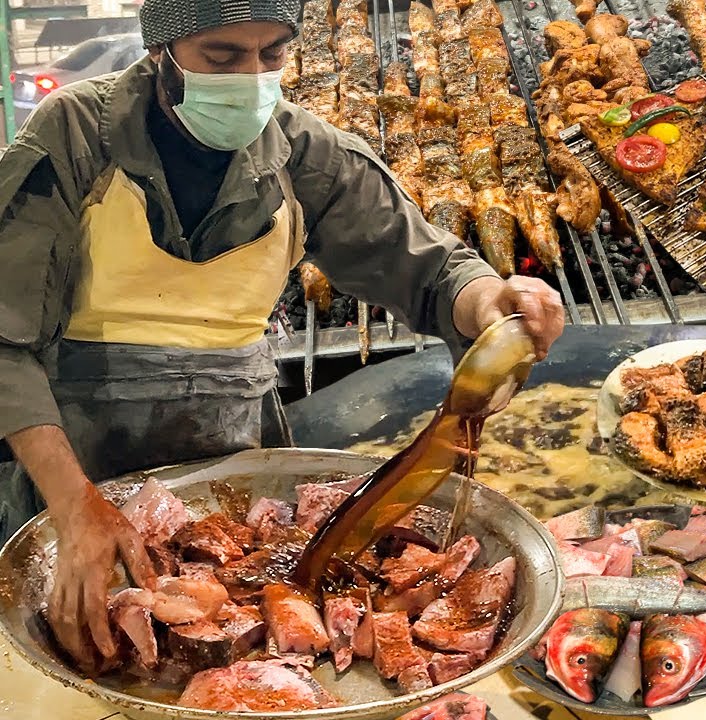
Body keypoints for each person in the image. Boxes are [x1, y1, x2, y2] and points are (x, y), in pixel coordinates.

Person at [0, 0, 565, 670]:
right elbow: (6, 341)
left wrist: (490, 300)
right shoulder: (75, 136)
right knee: (89, 654)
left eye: (272, 55)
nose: (252, 79)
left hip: (231, 445)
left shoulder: (305, 153)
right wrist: (73, 506)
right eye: (222, 58)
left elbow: (431, 269)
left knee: (258, 652)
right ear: (161, 52)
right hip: (76, 448)